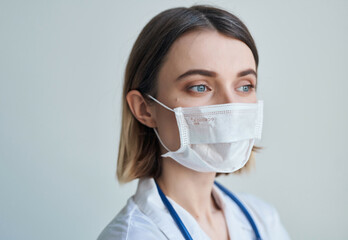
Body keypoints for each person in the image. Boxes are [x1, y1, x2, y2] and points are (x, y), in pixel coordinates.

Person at [97, 4, 291, 240]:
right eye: (200, 87)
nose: (229, 106)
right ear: (145, 109)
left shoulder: (262, 219)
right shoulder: (133, 235)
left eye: (244, 86)